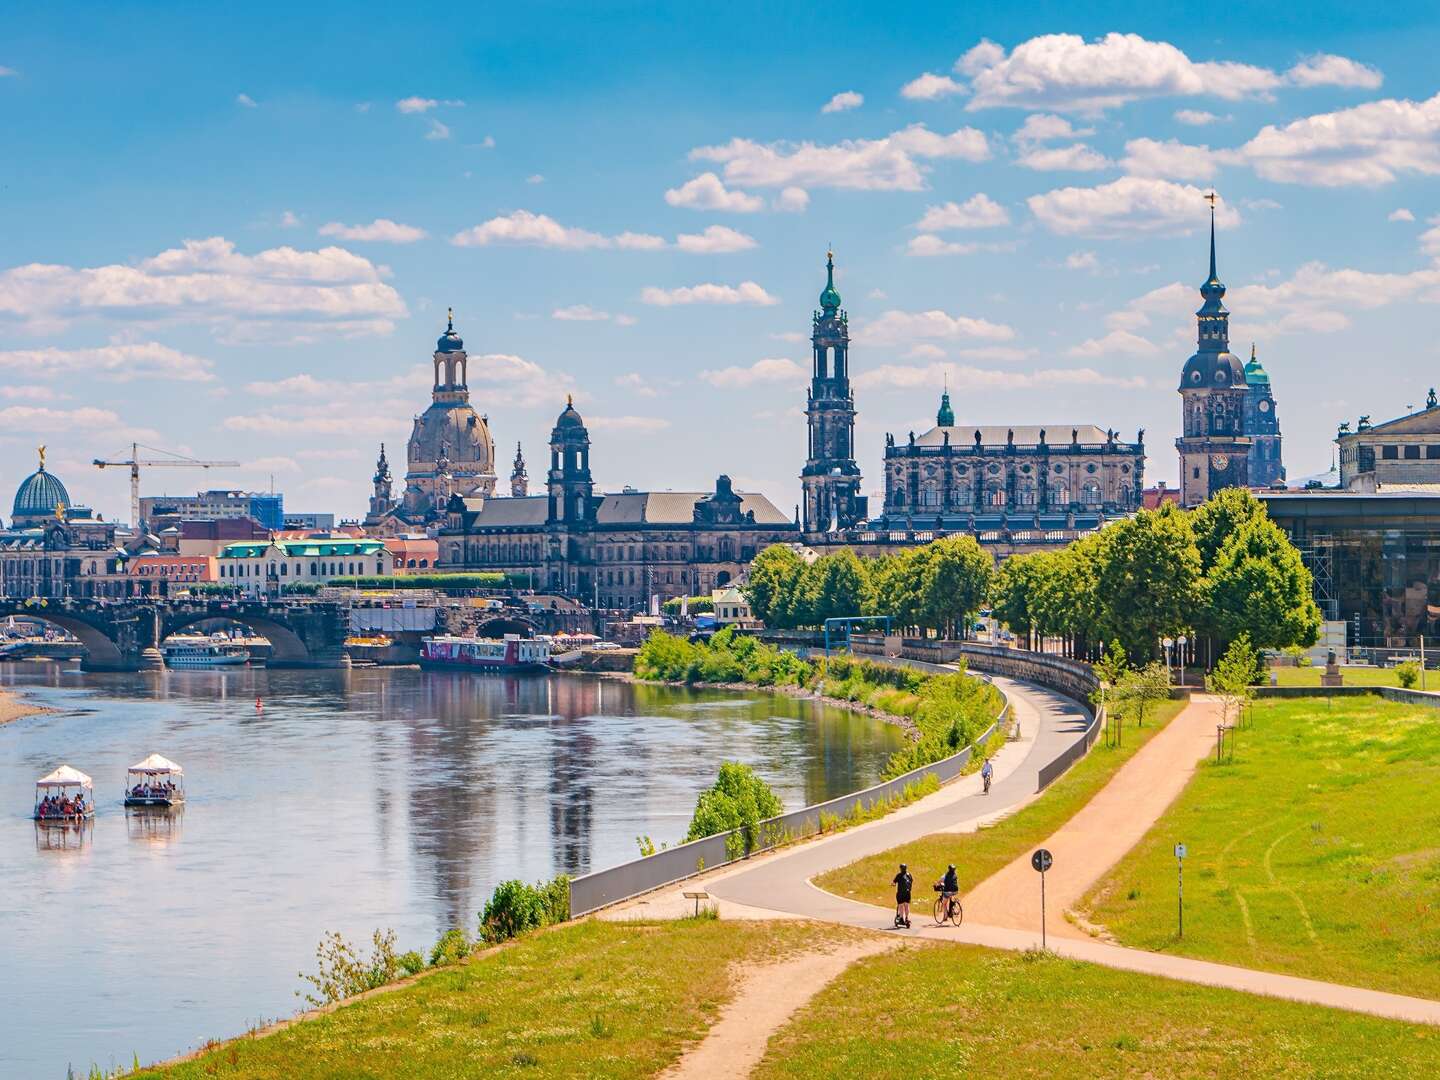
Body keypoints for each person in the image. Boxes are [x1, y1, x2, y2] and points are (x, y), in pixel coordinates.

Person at [892, 863, 913, 928]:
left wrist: (893, 884)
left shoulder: (899, 875)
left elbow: (894, 882)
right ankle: (907, 918)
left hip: (900, 893)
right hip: (908, 893)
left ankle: (901, 918)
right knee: (906, 905)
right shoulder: (909, 875)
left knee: (901, 905)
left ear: (900, 869)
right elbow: (911, 881)